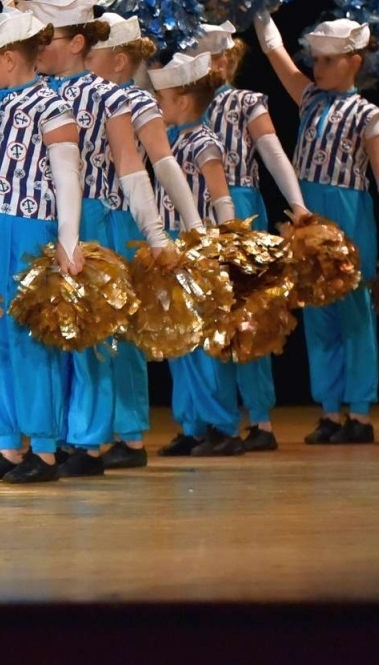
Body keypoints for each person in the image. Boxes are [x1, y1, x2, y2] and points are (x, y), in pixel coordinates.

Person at [28, 0, 184, 477]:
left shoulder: (109, 95)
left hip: (97, 217)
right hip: (41, 217)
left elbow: (133, 168)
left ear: (76, 43)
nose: (40, 47)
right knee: (54, 332)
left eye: (49, 37)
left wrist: (158, 236)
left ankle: (94, 440)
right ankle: (61, 434)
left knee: (97, 332)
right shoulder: (35, 90)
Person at [252, 11, 379, 444]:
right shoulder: (308, 98)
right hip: (309, 212)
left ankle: (359, 413)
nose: (317, 67)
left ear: (354, 63)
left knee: (353, 314)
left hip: (349, 213)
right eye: (317, 59)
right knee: (318, 313)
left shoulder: (369, 114)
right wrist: (258, 5)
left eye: (328, 60)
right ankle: (329, 410)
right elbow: (275, 52)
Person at [0, 0, 85, 486]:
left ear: (9, 59)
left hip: (28, 227)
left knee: (31, 337)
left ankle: (45, 449)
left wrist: (69, 238)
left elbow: (67, 175)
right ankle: (9, 446)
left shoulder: (52, 103)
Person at [82, 12, 201, 467]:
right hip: (85, 218)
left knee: (121, 327)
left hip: (119, 218)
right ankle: (92, 430)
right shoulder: (80, 96)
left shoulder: (138, 102)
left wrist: (189, 226)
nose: (86, 59)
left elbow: (164, 163)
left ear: (119, 61)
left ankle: (129, 435)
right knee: (89, 325)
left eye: (94, 53)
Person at [191, 21, 311, 452]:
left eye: (216, 57)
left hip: (240, 209)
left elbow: (272, 151)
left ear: (228, 60)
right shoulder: (184, 104)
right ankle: (213, 420)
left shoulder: (244, 102)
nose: (210, 65)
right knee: (209, 318)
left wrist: (296, 202)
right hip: (195, 212)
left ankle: (259, 420)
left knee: (247, 313)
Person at [147, 51, 245, 457]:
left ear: (184, 101)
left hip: (197, 248)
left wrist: (227, 241)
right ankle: (191, 424)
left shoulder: (204, 142)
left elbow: (221, 196)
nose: (158, 106)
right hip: (171, 249)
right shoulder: (170, 140)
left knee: (205, 342)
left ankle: (222, 425)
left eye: (164, 99)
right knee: (179, 338)